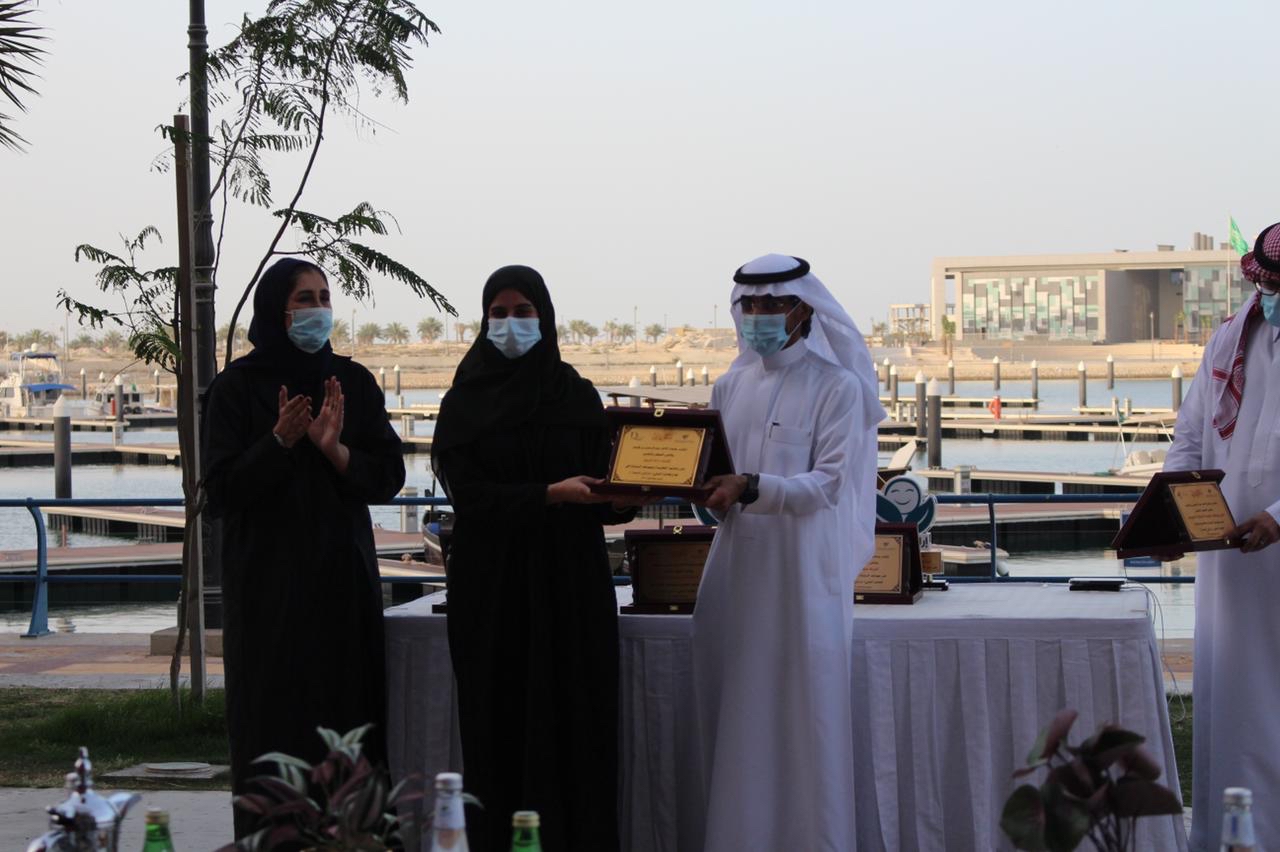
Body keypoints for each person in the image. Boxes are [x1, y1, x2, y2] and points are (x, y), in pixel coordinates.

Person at [431, 265, 637, 852]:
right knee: (499, 722)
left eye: (523, 312)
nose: (511, 323)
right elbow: (469, 497)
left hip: (570, 583)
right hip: (493, 587)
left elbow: (602, 493)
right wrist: (549, 494)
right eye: (498, 313)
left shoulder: (576, 395)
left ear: (544, 317)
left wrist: (628, 497)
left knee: (577, 721)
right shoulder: (464, 402)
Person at [202, 258, 406, 840]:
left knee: (349, 733)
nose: (318, 309)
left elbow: (387, 476)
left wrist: (336, 451)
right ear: (277, 309)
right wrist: (278, 441)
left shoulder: (352, 383)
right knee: (274, 731)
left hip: (343, 591)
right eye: (304, 299)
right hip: (268, 597)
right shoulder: (236, 388)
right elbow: (220, 492)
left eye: (324, 297)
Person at [692, 253, 884, 850]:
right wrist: (705, 495)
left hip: (803, 578)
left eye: (774, 303)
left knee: (805, 719)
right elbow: (716, 487)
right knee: (738, 716)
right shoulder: (729, 386)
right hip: (736, 573)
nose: (760, 315)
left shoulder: (837, 387)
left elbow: (828, 485)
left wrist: (751, 487)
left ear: (804, 309)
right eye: (751, 304)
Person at [1165, 222, 1280, 849]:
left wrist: (1278, 517)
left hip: (1276, 551)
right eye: (1267, 287)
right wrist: (1167, 512)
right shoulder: (1229, 340)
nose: (1271, 299)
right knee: (1232, 708)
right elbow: (1190, 437)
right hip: (1227, 562)